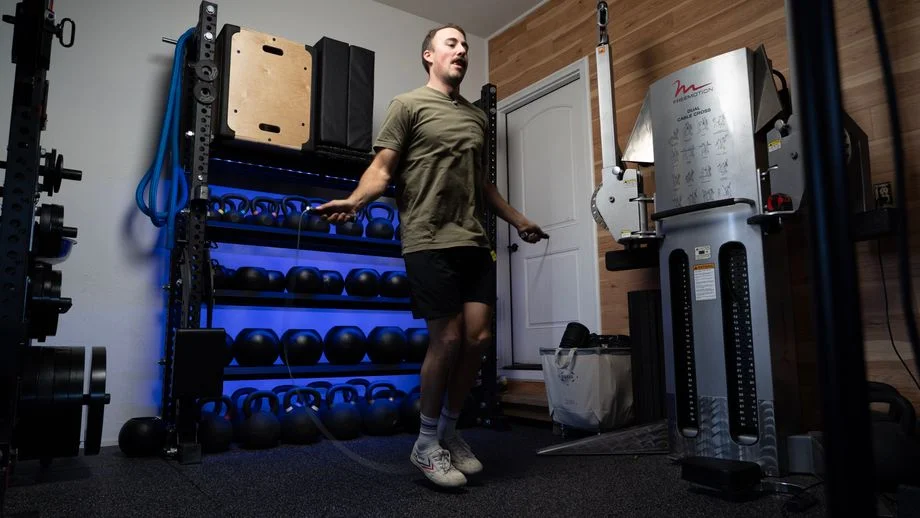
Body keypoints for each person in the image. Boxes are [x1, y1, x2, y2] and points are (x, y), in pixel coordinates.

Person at [315, 23, 548, 488]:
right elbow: (382, 169)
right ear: (429, 56)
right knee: (447, 338)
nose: (461, 50)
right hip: (427, 238)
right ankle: (424, 444)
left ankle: (448, 432)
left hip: (472, 240)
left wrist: (517, 219)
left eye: (464, 45)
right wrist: (356, 201)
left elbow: (483, 184)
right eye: (451, 44)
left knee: (478, 339)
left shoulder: (478, 119)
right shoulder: (407, 105)